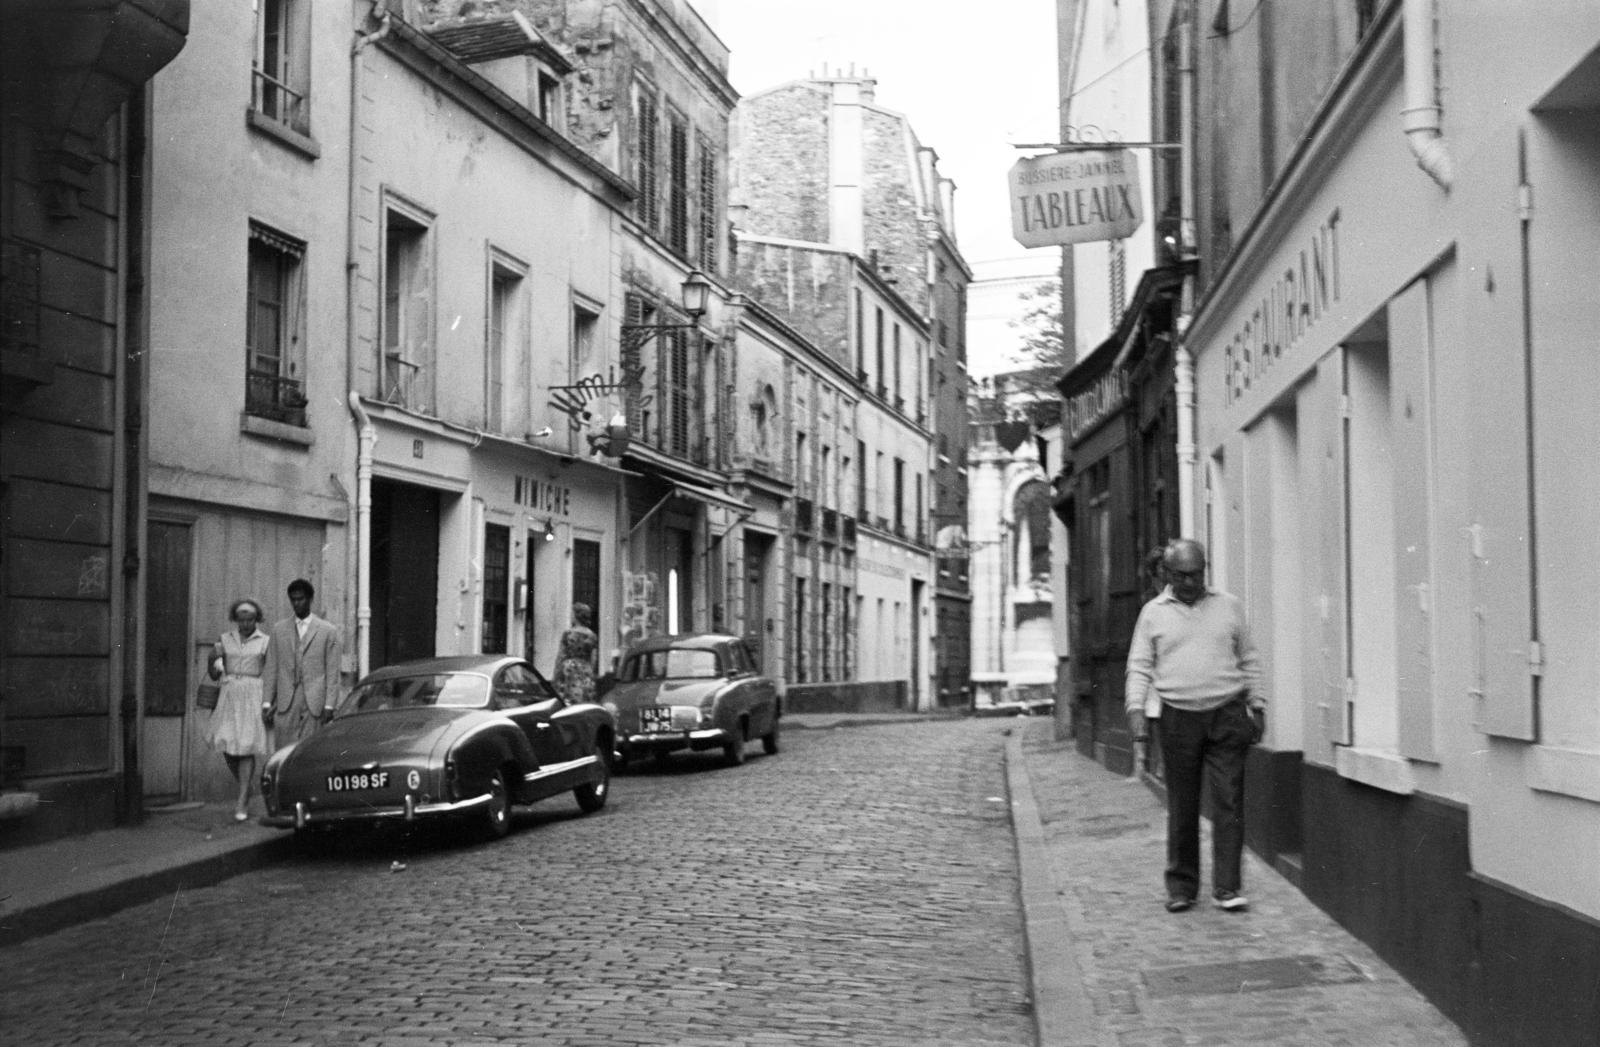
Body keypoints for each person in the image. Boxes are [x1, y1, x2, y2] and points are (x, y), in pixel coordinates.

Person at [1125, 539, 1266, 914]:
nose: (1190, 582)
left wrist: (1258, 704)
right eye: (1182, 575)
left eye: (1197, 573)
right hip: (1177, 718)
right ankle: (1182, 888)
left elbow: (1249, 658)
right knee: (1182, 805)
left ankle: (1228, 888)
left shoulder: (1229, 606)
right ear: (1168, 575)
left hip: (1227, 713)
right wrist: (1136, 710)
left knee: (1229, 802)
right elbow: (1139, 666)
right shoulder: (1152, 614)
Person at [204, 598, 273, 821]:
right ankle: (245, 786)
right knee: (226, 743)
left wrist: (269, 701)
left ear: (257, 619)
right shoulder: (225, 639)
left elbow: (271, 673)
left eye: (250, 619)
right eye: (241, 620)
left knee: (245, 745)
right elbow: (214, 674)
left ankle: (242, 797)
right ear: (236, 620)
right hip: (229, 693)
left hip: (253, 693)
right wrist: (212, 660)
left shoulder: (265, 641)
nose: (245, 624)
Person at [262, 578, 343, 747]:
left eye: (301, 599)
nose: (297, 603)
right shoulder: (279, 629)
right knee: (284, 749)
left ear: (310, 599)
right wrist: (267, 701)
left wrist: (329, 705)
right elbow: (271, 668)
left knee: (311, 749)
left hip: (314, 701)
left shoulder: (328, 631)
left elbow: (332, 672)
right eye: (293, 599)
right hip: (286, 701)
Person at [553, 602, 599, 704]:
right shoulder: (592, 636)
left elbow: (561, 656)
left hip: (569, 669)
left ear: (576, 616)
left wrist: (556, 676)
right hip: (585, 669)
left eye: (572, 614)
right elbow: (593, 658)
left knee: (569, 700)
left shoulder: (568, 634)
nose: (571, 616)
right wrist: (590, 672)